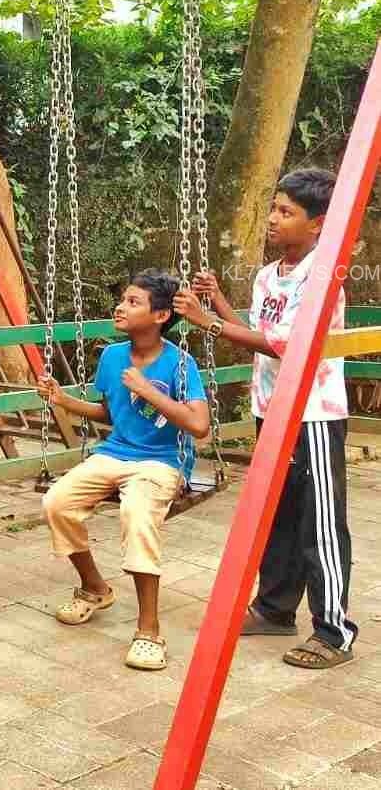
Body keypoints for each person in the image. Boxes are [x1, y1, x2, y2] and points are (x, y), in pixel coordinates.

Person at [176, 167, 356, 669]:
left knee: (320, 522)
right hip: (271, 409)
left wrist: (207, 321)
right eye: (273, 208)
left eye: (286, 212)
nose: (273, 219)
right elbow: (257, 335)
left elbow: (289, 346)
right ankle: (276, 609)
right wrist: (218, 303)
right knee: (278, 514)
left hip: (313, 415)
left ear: (317, 223)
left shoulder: (322, 277)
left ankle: (334, 632)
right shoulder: (267, 276)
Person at [37, 270, 210, 671]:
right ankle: (94, 588)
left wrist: (148, 390)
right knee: (56, 503)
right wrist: (62, 400)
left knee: (136, 514)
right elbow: (109, 413)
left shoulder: (180, 363)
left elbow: (199, 425)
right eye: (123, 299)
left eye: (133, 302)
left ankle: (149, 630)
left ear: (161, 316)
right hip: (115, 453)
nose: (120, 307)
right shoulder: (112, 356)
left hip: (162, 460)